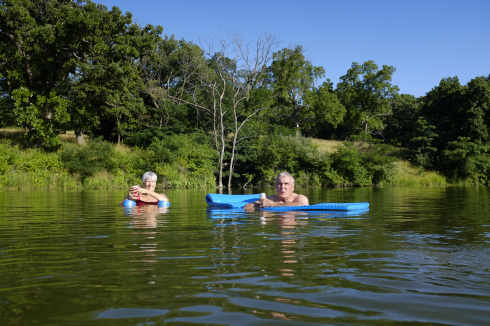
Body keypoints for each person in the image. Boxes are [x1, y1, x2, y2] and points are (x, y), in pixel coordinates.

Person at [244, 172, 309, 210]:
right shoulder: (272, 198)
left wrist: (273, 204)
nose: (282, 187)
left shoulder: (299, 198)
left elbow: (302, 206)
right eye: (280, 184)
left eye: (286, 184)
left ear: (293, 187)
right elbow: (246, 207)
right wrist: (261, 206)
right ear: (275, 187)